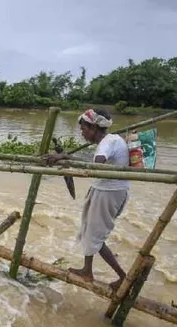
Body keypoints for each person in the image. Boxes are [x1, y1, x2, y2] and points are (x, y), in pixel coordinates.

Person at [43, 108, 129, 290]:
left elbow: (96, 163)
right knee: (89, 231)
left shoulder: (108, 142)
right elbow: (97, 160)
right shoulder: (110, 141)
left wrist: (65, 156)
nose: (82, 133)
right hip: (104, 189)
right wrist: (67, 156)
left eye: (83, 128)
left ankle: (124, 277)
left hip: (109, 192)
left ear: (93, 127)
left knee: (95, 236)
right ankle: (87, 270)